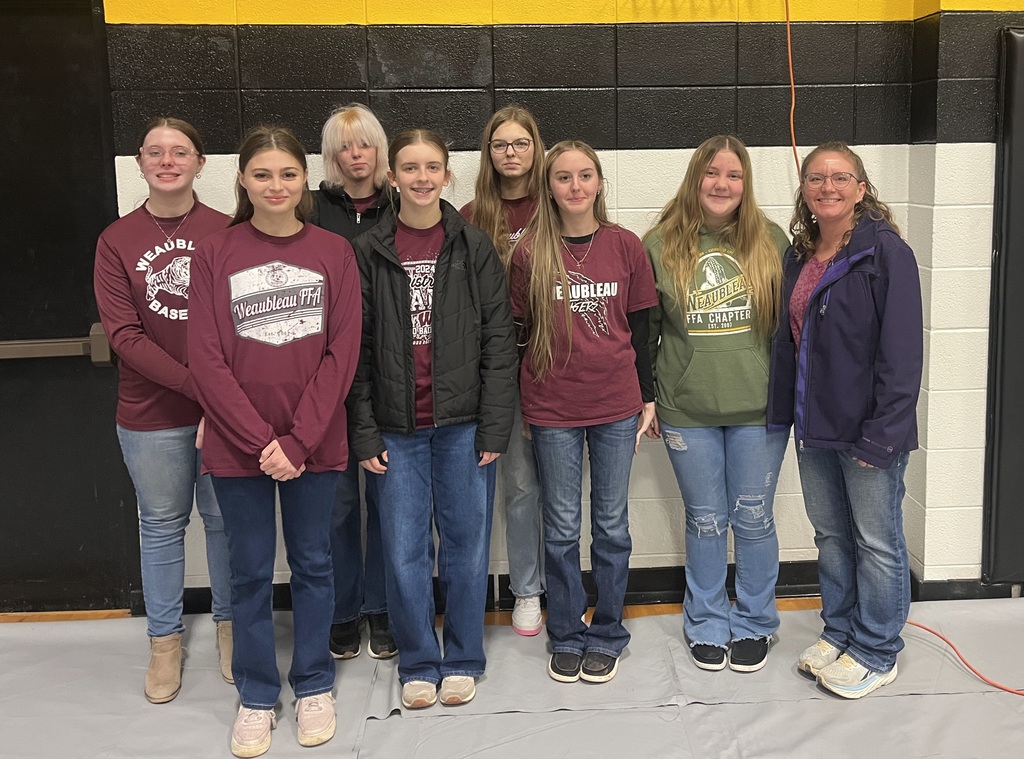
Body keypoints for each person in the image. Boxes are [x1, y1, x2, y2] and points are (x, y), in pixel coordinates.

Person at [188, 126, 362, 756]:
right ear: (242, 180)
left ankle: (314, 683)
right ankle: (257, 694)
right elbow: (205, 358)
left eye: (287, 174)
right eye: (262, 174)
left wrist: (298, 440)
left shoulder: (334, 252)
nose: (275, 185)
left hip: (315, 444)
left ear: (304, 179)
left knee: (314, 564)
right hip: (239, 448)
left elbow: (343, 354)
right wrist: (262, 439)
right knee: (249, 571)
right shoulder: (214, 253)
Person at [347, 129, 517, 710]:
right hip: (396, 429)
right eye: (410, 167)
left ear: (447, 175)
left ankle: (464, 657)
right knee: (403, 550)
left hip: (464, 426)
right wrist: (364, 430)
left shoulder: (473, 245)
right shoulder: (368, 251)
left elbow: (499, 341)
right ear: (392, 177)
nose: (422, 177)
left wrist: (495, 426)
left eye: (432, 167)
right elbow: (356, 350)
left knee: (466, 546)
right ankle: (419, 661)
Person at [767, 140, 922, 699]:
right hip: (816, 427)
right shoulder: (799, 255)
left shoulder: (886, 254)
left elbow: (902, 354)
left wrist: (883, 435)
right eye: (816, 178)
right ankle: (840, 632)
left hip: (869, 431)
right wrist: (784, 415)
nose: (827, 187)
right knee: (832, 536)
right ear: (804, 189)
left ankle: (877, 649)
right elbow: (792, 343)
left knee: (876, 541)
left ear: (860, 189)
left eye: (839, 178)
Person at [94, 117, 232, 704]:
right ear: (140, 163)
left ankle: (231, 629)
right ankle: (164, 641)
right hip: (150, 412)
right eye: (155, 152)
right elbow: (124, 335)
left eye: (180, 152)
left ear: (201, 162)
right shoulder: (116, 240)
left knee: (226, 523)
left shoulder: (228, 230)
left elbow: (240, 325)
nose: (167, 161)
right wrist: (201, 387)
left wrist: (219, 399)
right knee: (160, 525)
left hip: (225, 413)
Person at [510, 140, 658, 685]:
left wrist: (648, 396)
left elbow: (641, 329)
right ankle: (567, 632)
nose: (575, 186)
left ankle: (609, 631)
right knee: (562, 526)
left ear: (599, 183)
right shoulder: (530, 252)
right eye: (563, 177)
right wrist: (524, 405)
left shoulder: (625, 245)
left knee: (612, 525)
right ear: (548, 187)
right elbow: (518, 333)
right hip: (552, 407)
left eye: (585, 176)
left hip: (615, 404)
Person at [643, 135, 790, 673]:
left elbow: (789, 330)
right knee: (705, 521)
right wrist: (647, 398)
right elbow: (646, 331)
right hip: (687, 408)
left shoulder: (771, 240)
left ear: (745, 183)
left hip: (759, 409)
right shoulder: (659, 244)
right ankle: (706, 621)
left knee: (752, 519)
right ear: (695, 178)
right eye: (712, 173)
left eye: (733, 175)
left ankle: (755, 621)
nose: (721, 184)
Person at [311, 102, 397, 660]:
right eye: (344, 146)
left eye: (364, 143)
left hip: (388, 377)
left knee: (389, 504)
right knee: (337, 506)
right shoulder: (310, 209)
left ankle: (383, 608)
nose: (355, 154)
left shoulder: (404, 205)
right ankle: (343, 612)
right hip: (325, 379)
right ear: (331, 156)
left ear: (380, 150)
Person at [460, 105, 547, 636]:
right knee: (502, 484)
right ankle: (511, 590)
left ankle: (546, 588)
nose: (510, 153)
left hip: (547, 359)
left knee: (542, 486)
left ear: (536, 148)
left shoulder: (555, 205)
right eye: (500, 144)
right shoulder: (471, 215)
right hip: (488, 364)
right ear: (488, 153)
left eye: (520, 143)